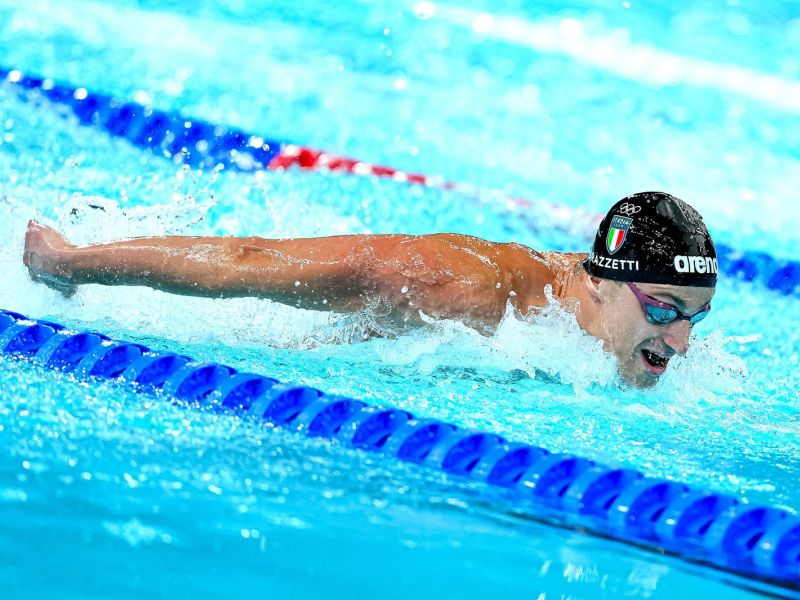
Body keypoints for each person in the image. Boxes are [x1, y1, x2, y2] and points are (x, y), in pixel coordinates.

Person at [22, 191, 717, 388]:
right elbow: (247, 259)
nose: (681, 343)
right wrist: (69, 263)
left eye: (694, 316)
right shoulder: (460, 289)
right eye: (663, 309)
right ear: (599, 283)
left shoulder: (589, 304)